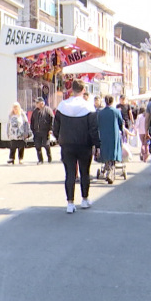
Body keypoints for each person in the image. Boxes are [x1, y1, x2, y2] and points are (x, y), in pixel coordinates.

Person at [53, 79, 100, 213]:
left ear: (71, 90)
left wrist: (59, 138)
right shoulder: (88, 107)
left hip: (67, 145)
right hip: (84, 144)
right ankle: (84, 200)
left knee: (70, 174)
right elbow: (93, 129)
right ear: (83, 90)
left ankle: (70, 203)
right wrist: (97, 145)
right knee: (85, 172)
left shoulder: (62, 106)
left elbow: (56, 127)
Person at [96, 95, 124, 183]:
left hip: (103, 134)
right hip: (114, 134)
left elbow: (97, 124)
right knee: (113, 151)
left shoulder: (100, 112)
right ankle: (111, 170)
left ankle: (107, 167)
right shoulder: (116, 111)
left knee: (105, 150)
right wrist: (122, 131)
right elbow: (120, 123)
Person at [30, 97, 54, 164]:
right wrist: (32, 130)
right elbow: (32, 121)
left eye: (37, 102)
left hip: (45, 131)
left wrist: (51, 129)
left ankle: (49, 157)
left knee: (46, 145)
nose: (36, 104)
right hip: (37, 132)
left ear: (42, 103)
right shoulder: (35, 111)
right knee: (38, 146)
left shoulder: (48, 110)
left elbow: (52, 120)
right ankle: (40, 160)